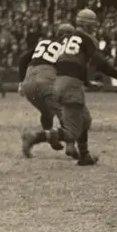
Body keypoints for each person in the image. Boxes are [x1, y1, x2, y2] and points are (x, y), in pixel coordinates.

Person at [21, 9, 117, 165]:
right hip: (71, 86)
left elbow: (70, 64)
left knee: (85, 119)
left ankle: (85, 155)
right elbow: (100, 62)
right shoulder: (87, 39)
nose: (94, 28)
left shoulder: (66, 41)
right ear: (88, 26)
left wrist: (86, 83)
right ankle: (35, 137)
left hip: (59, 83)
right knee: (73, 131)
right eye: (93, 25)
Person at [17, 23, 77, 158]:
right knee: (67, 114)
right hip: (46, 81)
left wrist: (21, 82)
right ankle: (70, 146)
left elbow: (22, 59)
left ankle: (51, 137)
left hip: (28, 84)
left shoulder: (43, 43)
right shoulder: (69, 48)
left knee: (47, 112)